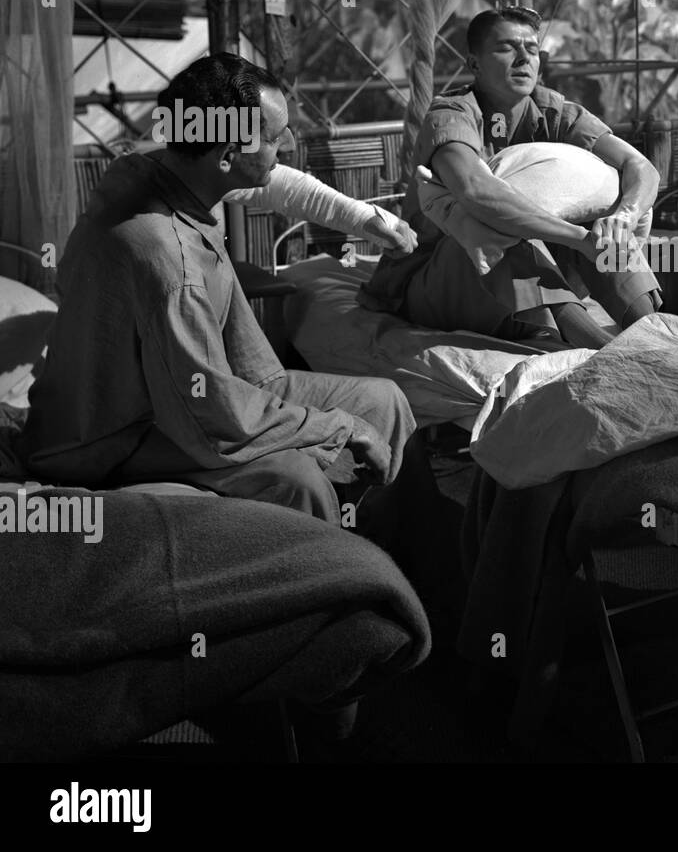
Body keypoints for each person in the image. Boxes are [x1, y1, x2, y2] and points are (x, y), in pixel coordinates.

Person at [21, 54, 423, 524]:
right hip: (111, 436)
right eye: (276, 138)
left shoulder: (156, 173)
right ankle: (337, 581)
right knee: (296, 479)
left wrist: (368, 220)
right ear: (229, 154)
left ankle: (386, 554)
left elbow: (278, 186)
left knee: (385, 402)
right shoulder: (168, 259)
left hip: (182, 398)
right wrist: (339, 426)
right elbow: (212, 413)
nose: (289, 146)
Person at [360, 6, 661, 349]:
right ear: (474, 64)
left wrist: (625, 217)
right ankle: (599, 349)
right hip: (433, 283)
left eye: (532, 50)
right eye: (507, 48)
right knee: (496, 223)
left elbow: (641, 167)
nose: (524, 59)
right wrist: (578, 239)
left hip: (518, 284)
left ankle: (652, 331)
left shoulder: (555, 112)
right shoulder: (452, 114)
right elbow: (477, 192)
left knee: (605, 219)